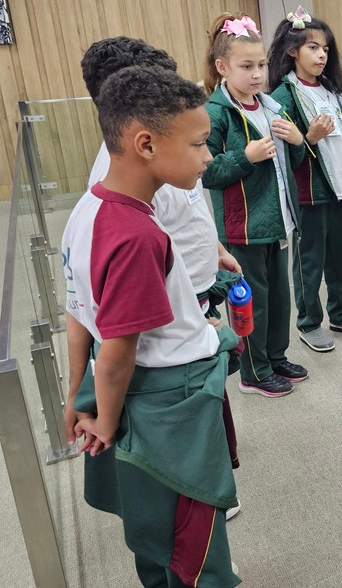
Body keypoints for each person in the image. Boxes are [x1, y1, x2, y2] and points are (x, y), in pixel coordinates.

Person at [63, 65, 239, 588]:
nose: (208, 157)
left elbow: (78, 313)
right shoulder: (137, 236)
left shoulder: (88, 207)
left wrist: (77, 395)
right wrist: (106, 421)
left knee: (154, 530)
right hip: (168, 401)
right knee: (194, 546)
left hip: (132, 391)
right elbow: (118, 353)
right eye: (198, 144)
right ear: (145, 144)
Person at [203, 13, 308, 397]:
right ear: (222, 67)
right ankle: (253, 371)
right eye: (246, 66)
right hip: (243, 227)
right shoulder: (215, 112)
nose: (258, 74)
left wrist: (298, 141)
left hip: (278, 221)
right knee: (252, 302)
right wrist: (245, 157)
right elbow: (206, 171)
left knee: (279, 299)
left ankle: (275, 357)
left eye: (261, 65)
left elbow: (292, 163)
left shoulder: (272, 106)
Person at [269, 7, 342, 351]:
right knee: (309, 263)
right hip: (309, 195)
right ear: (292, 51)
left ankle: (341, 313)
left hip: (340, 190)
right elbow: (283, 156)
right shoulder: (283, 96)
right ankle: (309, 322)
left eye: (325, 49)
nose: (321, 55)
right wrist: (310, 138)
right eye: (313, 47)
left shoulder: (335, 91)